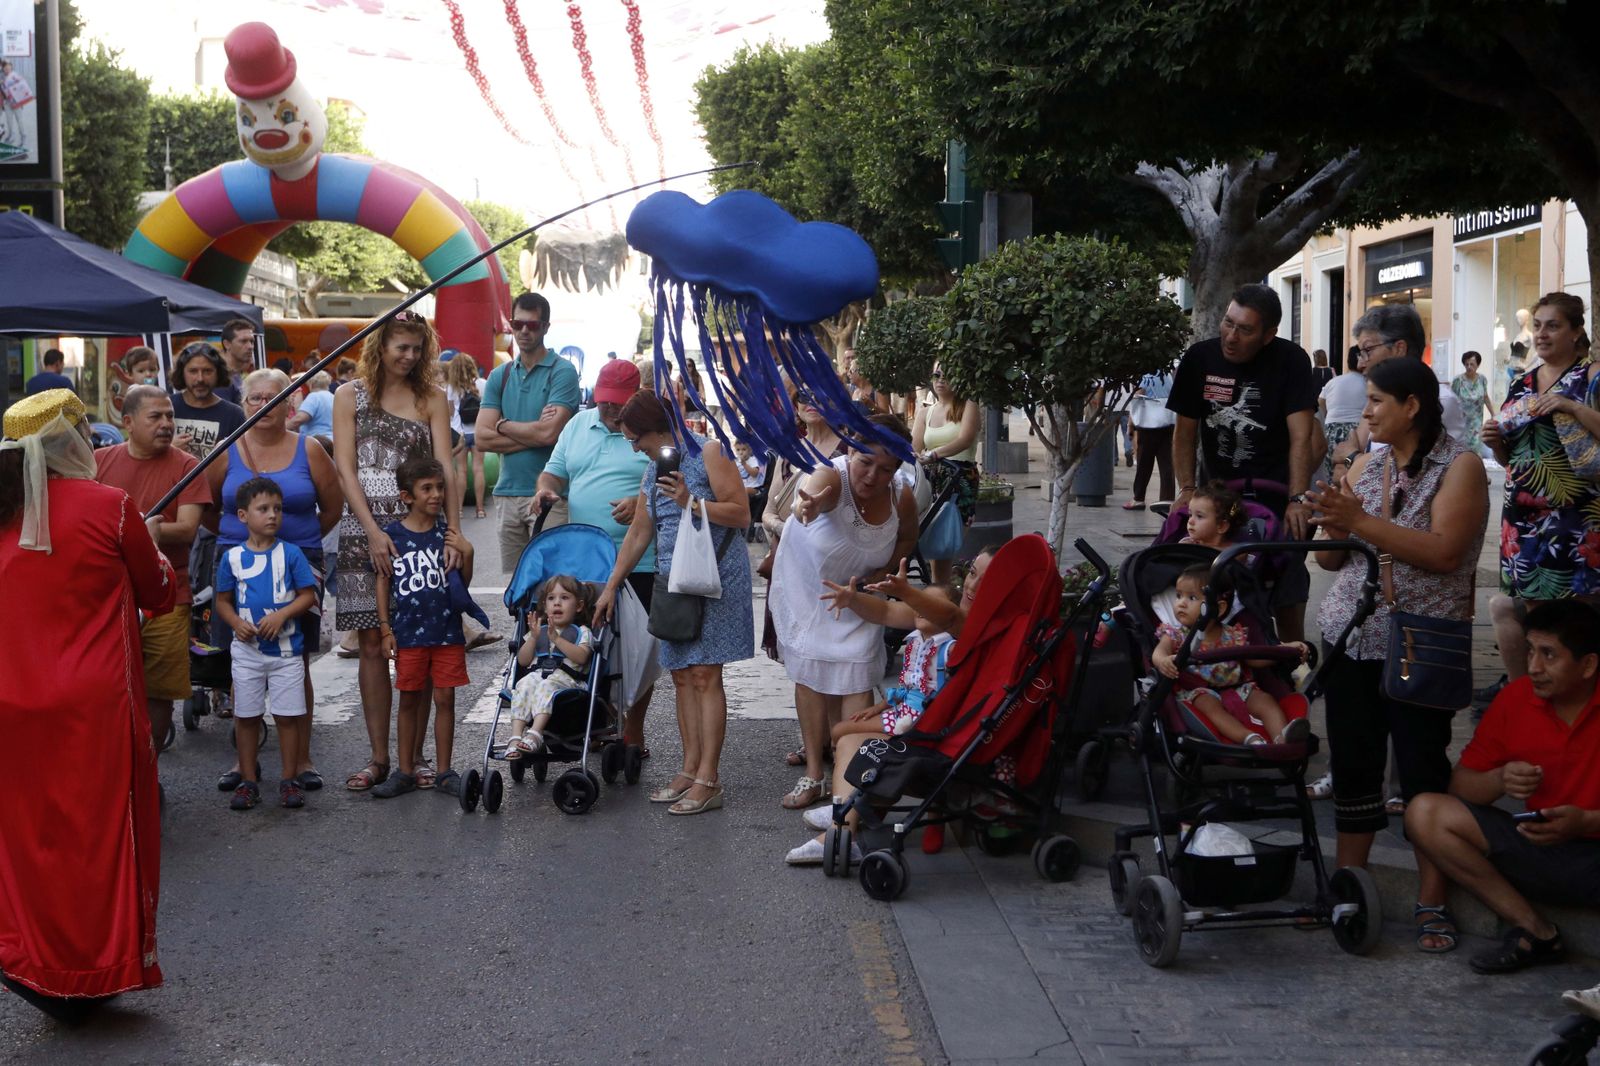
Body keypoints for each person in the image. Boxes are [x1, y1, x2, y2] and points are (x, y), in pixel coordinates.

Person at [0, 389, 175, 1013]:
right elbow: (159, 590)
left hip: (11, 702)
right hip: (95, 704)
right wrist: (148, 542)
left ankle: (26, 950)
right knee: (101, 837)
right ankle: (95, 966)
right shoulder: (110, 505)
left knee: (27, 839)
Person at [1307, 355, 1488, 955]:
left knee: (1422, 775)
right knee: (1356, 770)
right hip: (1352, 634)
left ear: (1412, 406)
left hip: (1422, 638)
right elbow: (1331, 562)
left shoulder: (1460, 466)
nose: (1367, 413)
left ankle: (1431, 900)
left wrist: (1358, 518)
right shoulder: (1367, 460)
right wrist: (1329, 521)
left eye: (1378, 401)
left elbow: (1442, 553)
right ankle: (1348, 887)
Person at [1405, 600, 1600, 974]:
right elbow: (1460, 789)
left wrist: (1587, 822)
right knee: (1426, 812)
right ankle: (1535, 930)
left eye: (1548, 655)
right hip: (1538, 849)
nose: (1533, 667)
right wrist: (1499, 779)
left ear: (1588, 665)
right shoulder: (1516, 698)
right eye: (1530, 651)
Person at [593, 390, 754, 816]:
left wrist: (690, 501)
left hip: (714, 576)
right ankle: (688, 769)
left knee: (705, 675)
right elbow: (639, 532)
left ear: (657, 429)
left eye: (635, 438)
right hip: (674, 579)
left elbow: (741, 514)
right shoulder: (652, 470)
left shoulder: (710, 453)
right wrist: (612, 585)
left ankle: (709, 778)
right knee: (682, 675)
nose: (633, 447)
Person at [333, 310, 459, 793]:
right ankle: (379, 757)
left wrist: (454, 534)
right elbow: (345, 470)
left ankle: (416, 757)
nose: (409, 356)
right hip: (363, 529)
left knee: (419, 644)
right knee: (370, 643)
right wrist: (372, 532)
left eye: (416, 348)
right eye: (400, 347)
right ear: (380, 346)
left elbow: (445, 468)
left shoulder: (432, 398)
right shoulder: (349, 395)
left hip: (421, 532)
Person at [768, 413, 920, 809]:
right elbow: (818, 493)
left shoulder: (901, 494)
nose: (872, 475)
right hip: (811, 589)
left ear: (897, 470)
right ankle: (814, 773)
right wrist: (811, 505)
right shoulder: (830, 476)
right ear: (850, 448)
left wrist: (886, 572)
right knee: (811, 674)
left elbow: (906, 538)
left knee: (855, 674)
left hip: (861, 594)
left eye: (885, 469)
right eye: (865, 461)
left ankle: (850, 783)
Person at [207, 368, 343, 793]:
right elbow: (210, 507)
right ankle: (242, 761)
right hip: (238, 565)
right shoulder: (227, 450)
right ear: (242, 404)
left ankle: (301, 759)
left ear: (290, 405)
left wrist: (294, 547)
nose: (263, 405)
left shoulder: (311, 449)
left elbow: (333, 507)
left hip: (299, 563)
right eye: (254, 398)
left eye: (274, 397)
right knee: (240, 656)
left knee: (295, 661)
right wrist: (242, 544)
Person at [1168, 284, 1318, 642]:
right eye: (1227, 322)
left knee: (1288, 579)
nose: (1231, 336)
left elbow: (1303, 437)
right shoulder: (1200, 359)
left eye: (1245, 329)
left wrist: (1297, 499)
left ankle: (1291, 659)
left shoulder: (1292, 360)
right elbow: (1185, 433)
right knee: (1212, 580)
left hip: (1279, 491)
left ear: (1268, 335)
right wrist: (1187, 490)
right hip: (1220, 495)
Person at [786, 584, 958, 865]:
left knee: (843, 732)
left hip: (919, 722)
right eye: (918, 602)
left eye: (928, 604)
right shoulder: (917, 640)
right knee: (843, 732)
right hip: (904, 711)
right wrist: (880, 706)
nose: (919, 608)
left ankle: (844, 813)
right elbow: (906, 685)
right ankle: (847, 808)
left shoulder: (950, 647)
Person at [534, 358, 656, 748]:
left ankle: (632, 732)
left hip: (640, 559)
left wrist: (641, 505)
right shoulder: (577, 425)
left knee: (638, 652)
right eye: (604, 401)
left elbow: (671, 484)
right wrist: (545, 489)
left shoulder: (647, 431)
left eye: (618, 403)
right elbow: (554, 472)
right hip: (584, 560)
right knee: (588, 643)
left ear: (635, 398)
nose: (610, 409)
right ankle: (594, 724)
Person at [1482, 292, 1600, 687]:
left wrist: (1573, 407)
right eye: (1538, 326)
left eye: (1553, 325)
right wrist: (1495, 441)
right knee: (1535, 616)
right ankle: (1540, 701)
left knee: (1579, 618)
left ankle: (1582, 699)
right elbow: (1511, 459)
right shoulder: (1521, 383)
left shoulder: (1592, 376)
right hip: (1524, 519)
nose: (1542, 334)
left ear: (1576, 330)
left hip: (1577, 516)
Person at [95, 385, 212, 757]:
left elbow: (187, 529)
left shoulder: (187, 465)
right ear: (128, 422)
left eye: (169, 416)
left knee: (159, 688)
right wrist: (142, 532)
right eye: (155, 417)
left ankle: (150, 764)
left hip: (167, 594)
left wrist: (140, 533)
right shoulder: (98, 461)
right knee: (109, 684)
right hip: (108, 594)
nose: (166, 424)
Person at [370, 457, 475, 798]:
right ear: (406, 496)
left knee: (446, 698)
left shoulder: (448, 536)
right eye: (427, 488)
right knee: (410, 699)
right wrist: (386, 629)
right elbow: (383, 583)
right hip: (409, 632)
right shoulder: (393, 536)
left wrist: (467, 554)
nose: (436, 495)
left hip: (447, 632)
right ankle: (404, 771)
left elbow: (461, 586)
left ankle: (445, 771)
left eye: (440, 487)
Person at [214, 477, 319, 811]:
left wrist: (282, 615)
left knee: (287, 717)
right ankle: (248, 780)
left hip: (287, 652)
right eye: (263, 509)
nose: (273, 515)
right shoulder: (231, 559)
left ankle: (289, 778)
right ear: (243, 516)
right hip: (247, 653)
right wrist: (235, 624)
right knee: (246, 716)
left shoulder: (292, 554)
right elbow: (222, 601)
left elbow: (307, 596)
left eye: (277, 508)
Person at [1152, 564, 1311, 746]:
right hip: (1199, 691)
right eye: (1178, 595)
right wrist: (1163, 660)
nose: (1181, 603)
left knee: (1265, 700)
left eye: (1192, 597)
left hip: (1239, 687)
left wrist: (1285, 650)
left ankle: (1281, 738)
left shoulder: (1233, 634)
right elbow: (1159, 652)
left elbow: (1255, 659)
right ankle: (1249, 738)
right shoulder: (1176, 634)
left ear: (1219, 608)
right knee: (1209, 705)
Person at [475, 292, 582, 565]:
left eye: (532, 325)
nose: (523, 331)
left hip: (550, 494)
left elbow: (549, 434)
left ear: (545, 327)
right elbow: (482, 438)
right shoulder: (502, 374)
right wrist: (537, 434)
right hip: (507, 492)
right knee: (515, 588)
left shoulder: (563, 371)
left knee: (553, 584)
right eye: (517, 323)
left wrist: (503, 425)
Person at [506, 574, 596, 757]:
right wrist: (532, 638)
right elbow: (523, 661)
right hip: (539, 676)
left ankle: (535, 733)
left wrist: (556, 639)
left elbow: (581, 657)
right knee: (523, 684)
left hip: (568, 681)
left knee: (546, 685)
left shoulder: (581, 632)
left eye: (564, 598)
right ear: (544, 605)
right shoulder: (540, 630)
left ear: (578, 606)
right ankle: (516, 737)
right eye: (551, 598)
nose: (557, 603)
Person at [912, 363, 980, 584]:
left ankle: (941, 597)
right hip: (931, 481)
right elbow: (914, 446)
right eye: (936, 375)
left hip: (960, 481)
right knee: (933, 546)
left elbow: (965, 439)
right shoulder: (925, 411)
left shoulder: (968, 405)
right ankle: (939, 595)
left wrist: (934, 454)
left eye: (947, 375)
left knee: (946, 545)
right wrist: (923, 457)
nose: (940, 380)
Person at [170, 341, 246, 460]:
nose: (200, 379)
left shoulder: (234, 415)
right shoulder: (167, 407)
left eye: (207, 371)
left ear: (218, 373)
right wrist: (168, 449)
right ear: (182, 373)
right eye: (193, 371)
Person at [442, 353, 486, 519]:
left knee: (460, 471)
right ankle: (480, 509)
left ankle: (459, 510)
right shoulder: (482, 384)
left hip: (459, 433)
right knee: (478, 469)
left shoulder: (450, 388)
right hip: (477, 432)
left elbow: (450, 413)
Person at [1125, 368, 1177, 510]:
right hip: (1167, 423)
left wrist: (1130, 424)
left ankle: (1138, 498)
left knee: (1144, 463)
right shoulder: (1167, 375)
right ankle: (1167, 499)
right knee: (1167, 464)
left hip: (1148, 426)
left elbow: (1137, 397)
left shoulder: (1145, 376)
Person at [1319, 345, 1368, 484]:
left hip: (1331, 429)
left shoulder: (1333, 382)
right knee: (1353, 473)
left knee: (1331, 473)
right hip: (1356, 430)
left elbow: (1320, 403)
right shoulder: (1368, 383)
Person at [1450, 350, 1495, 457]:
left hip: (1476, 423)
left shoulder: (1482, 379)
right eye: (1466, 364)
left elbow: (1485, 397)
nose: (1469, 367)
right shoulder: (1458, 380)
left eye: (1472, 364)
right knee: (1462, 451)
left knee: (1475, 449)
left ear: (1478, 365)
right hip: (1462, 422)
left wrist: (1494, 414)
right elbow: (1452, 400)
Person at [1181, 481, 1243, 550]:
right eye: (1190, 515)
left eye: (1199, 516)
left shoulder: (1236, 552)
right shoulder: (1186, 543)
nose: (1190, 521)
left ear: (1221, 526)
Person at [287, 369, 335, 448]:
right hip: (332, 442)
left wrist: (282, 428)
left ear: (311, 384)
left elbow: (299, 419)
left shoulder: (314, 397)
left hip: (316, 443)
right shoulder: (333, 397)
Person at [216, 317, 258, 404]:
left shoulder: (237, 375)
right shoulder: (220, 377)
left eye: (251, 341)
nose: (250, 346)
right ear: (227, 344)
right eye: (243, 341)